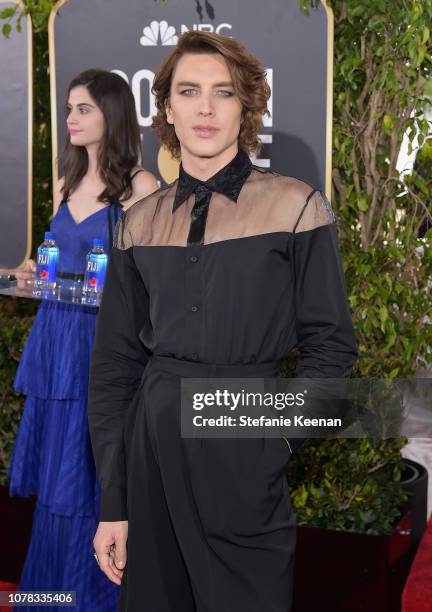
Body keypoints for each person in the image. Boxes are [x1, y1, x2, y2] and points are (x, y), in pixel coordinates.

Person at [88, 32, 358, 612]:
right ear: (167, 108)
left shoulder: (295, 205)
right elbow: (114, 365)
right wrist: (114, 501)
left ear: (246, 107)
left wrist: (275, 436)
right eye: (190, 92)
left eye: (223, 93)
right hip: (151, 448)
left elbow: (332, 346)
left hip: (243, 437)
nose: (205, 108)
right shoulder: (139, 221)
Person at [9, 69, 158, 611]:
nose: (70, 119)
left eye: (82, 109)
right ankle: (50, 598)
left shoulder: (140, 187)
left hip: (105, 345)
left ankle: (95, 601)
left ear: (111, 114)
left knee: (96, 479)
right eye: (69, 109)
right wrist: (32, 276)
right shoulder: (67, 181)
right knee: (57, 482)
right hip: (55, 342)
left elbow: (158, 279)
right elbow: (55, 264)